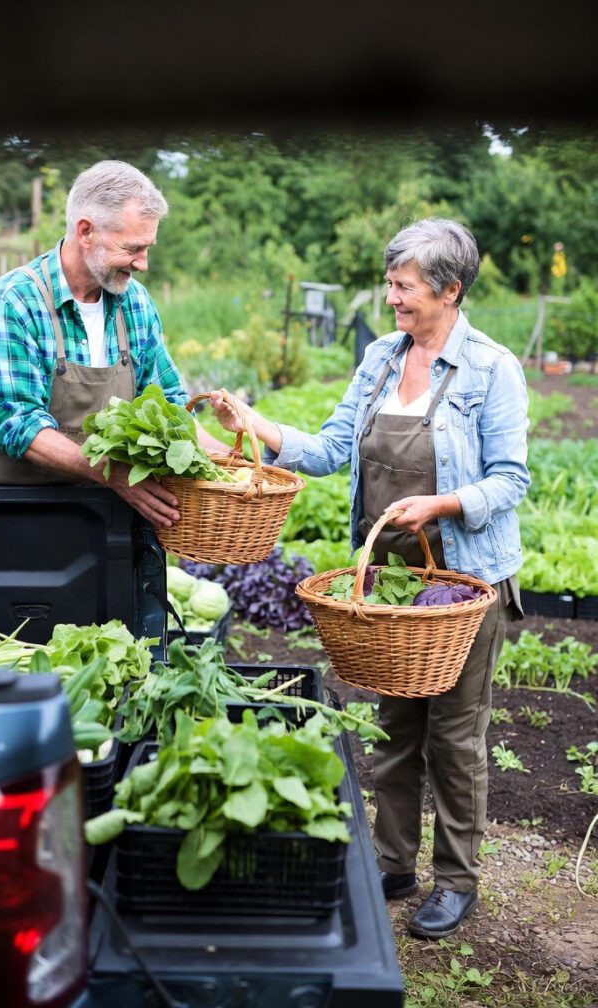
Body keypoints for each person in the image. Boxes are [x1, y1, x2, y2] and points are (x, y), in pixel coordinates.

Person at [209, 217, 530, 940]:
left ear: (449, 290)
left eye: (403, 286)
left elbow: (511, 480)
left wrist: (445, 502)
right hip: (387, 581)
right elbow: (327, 449)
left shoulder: (490, 368)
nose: (390, 298)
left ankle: (455, 880)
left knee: (454, 735)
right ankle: (392, 861)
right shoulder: (382, 358)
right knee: (391, 726)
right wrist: (253, 424)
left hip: (462, 583)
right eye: (388, 284)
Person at [0, 159, 228, 527]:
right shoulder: (14, 301)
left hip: (102, 518)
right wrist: (111, 474)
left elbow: (171, 406)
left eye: (148, 247)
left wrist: (231, 463)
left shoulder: (134, 303)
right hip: (14, 513)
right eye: (134, 248)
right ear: (85, 231)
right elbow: (15, 420)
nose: (144, 263)